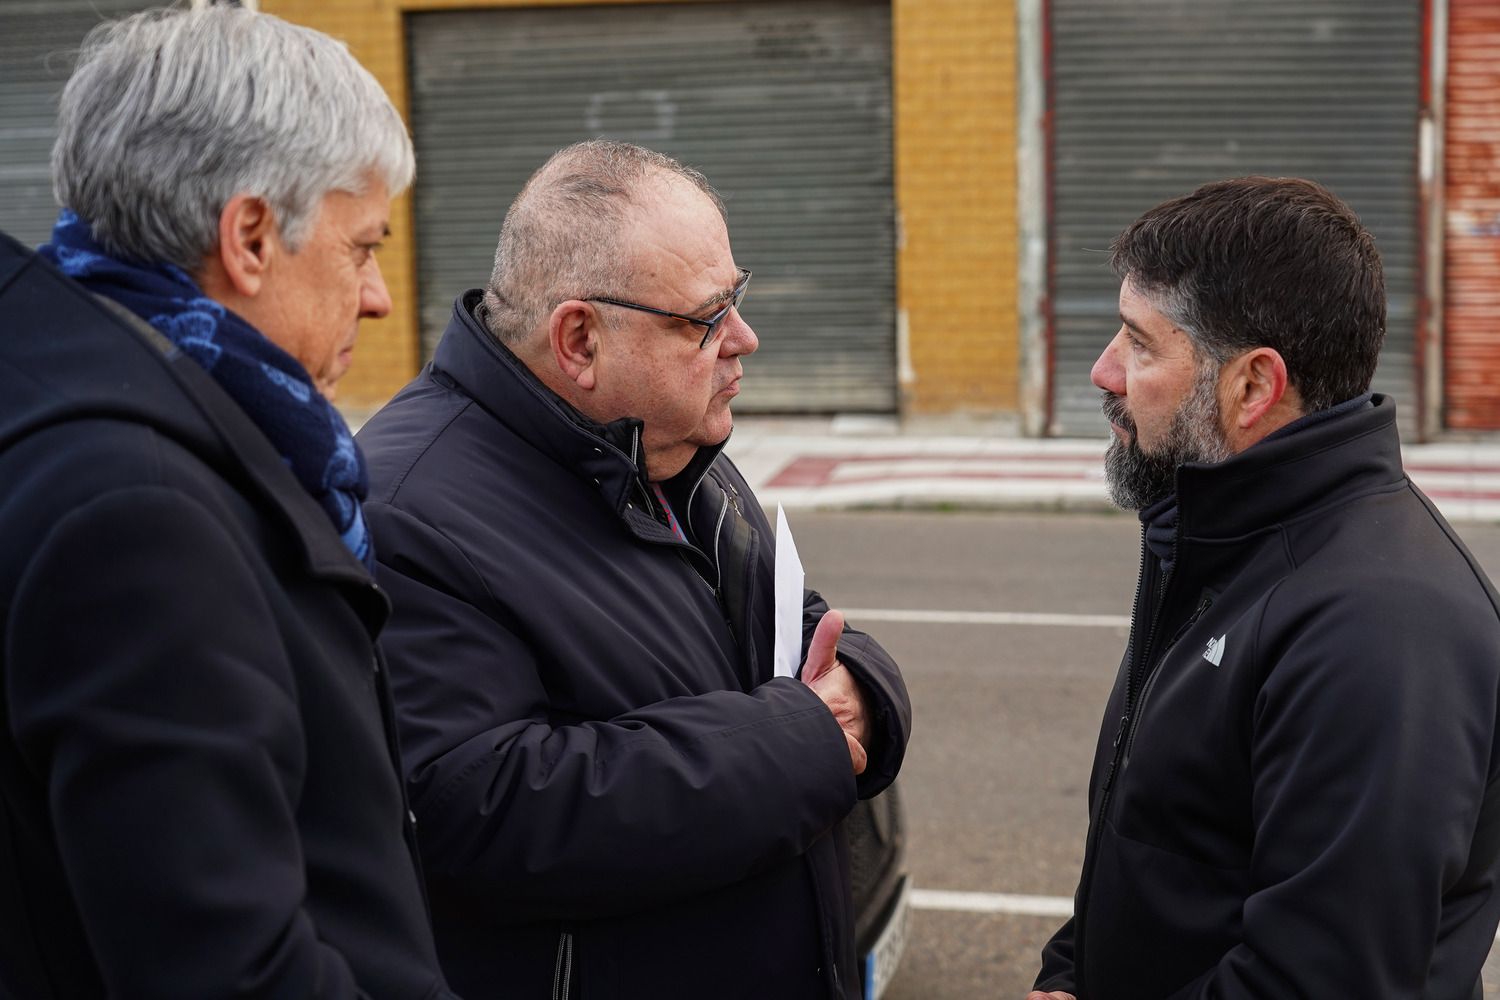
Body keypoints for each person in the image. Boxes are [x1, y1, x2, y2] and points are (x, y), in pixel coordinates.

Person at [355, 139, 912, 999]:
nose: (745, 340)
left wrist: (867, 693)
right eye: (707, 317)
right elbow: (482, 813)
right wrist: (803, 739)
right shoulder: (406, 509)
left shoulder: (664, 446)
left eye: (740, 299)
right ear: (579, 338)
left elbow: (795, 627)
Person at [0, 7, 457, 997]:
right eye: (363, 245)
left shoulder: (88, 402)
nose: (379, 297)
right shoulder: (142, 518)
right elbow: (227, 967)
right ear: (249, 235)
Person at [1028, 176, 1500, 1000]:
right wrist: (1071, 972)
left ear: (1252, 387)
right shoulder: (1216, 537)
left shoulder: (1381, 629)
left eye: (1140, 344)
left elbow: (1320, 980)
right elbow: (1161, 844)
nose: (1105, 370)